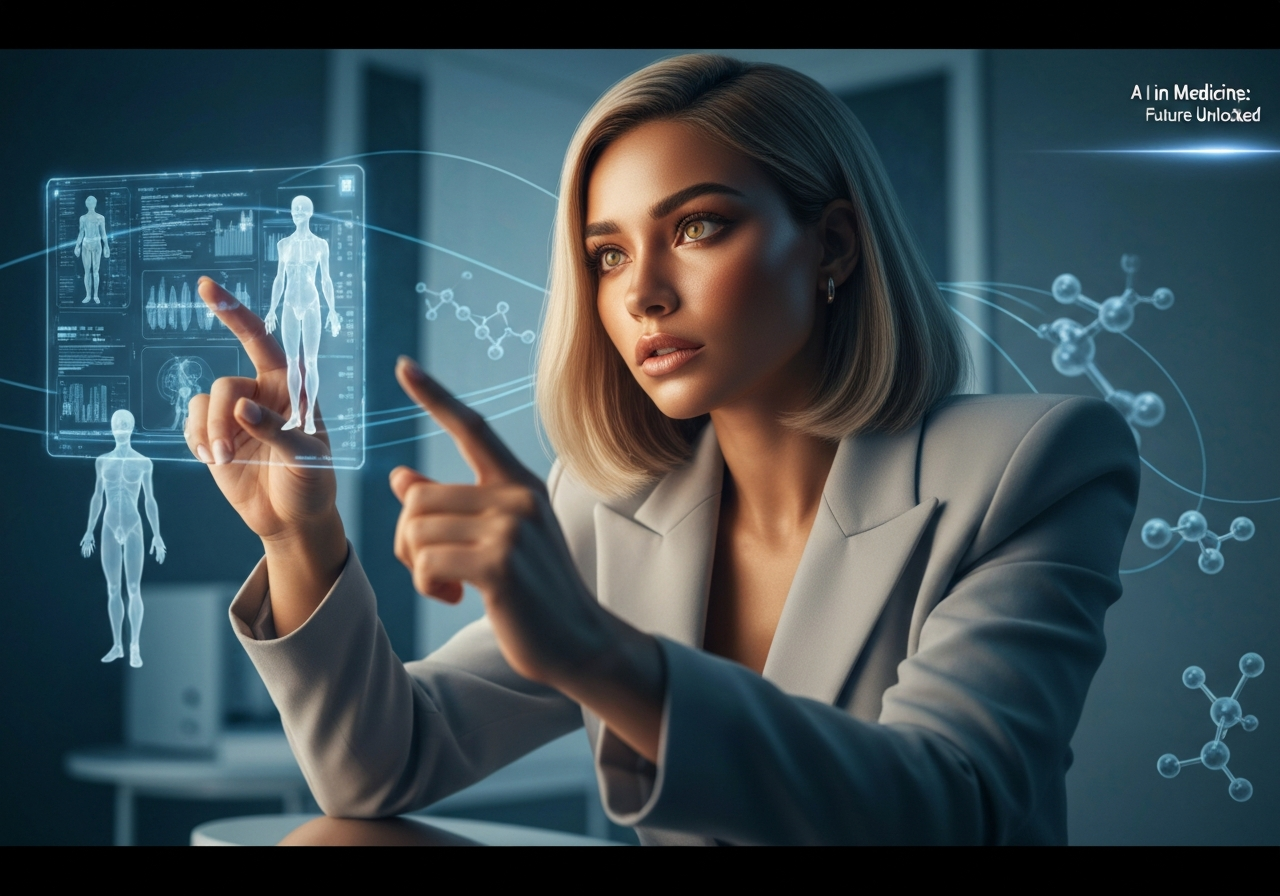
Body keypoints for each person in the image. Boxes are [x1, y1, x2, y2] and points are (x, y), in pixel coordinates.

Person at [185, 55, 1139, 845]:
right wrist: (299, 538)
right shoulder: (609, 504)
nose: (642, 293)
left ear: (834, 246)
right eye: (607, 255)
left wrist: (599, 653)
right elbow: (380, 766)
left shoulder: (1033, 464)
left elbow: (954, 809)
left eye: (697, 227)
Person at [80, 409, 166, 668]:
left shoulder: (143, 462)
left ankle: (135, 646)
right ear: (111, 427)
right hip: (108, 524)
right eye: (117, 424)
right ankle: (118, 645)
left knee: (133, 588)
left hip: (133, 525)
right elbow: (97, 496)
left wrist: (157, 535)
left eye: (124, 423)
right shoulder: (102, 461)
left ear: (131, 428)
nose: (120, 427)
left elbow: (149, 500)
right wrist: (88, 531)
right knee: (113, 589)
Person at [263, 195, 341, 435]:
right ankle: (295, 413)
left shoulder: (320, 245)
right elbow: (279, 279)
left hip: (311, 303)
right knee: (291, 362)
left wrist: (334, 311)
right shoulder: (283, 244)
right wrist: (271, 310)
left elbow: (326, 280)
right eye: (293, 208)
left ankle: (309, 417)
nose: (296, 212)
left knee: (310, 361)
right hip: (288, 304)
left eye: (300, 209)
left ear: (309, 212)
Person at [74, 195, 109, 304]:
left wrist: (106, 246)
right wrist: (77, 246)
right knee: (87, 271)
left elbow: (103, 233)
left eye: (92, 202)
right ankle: (88, 295)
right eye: (88, 202)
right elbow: (81, 233)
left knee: (95, 271)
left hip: (97, 243)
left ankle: (95, 295)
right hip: (86, 243)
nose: (90, 204)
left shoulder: (100, 218)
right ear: (86, 204)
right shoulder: (83, 218)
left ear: (95, 203)